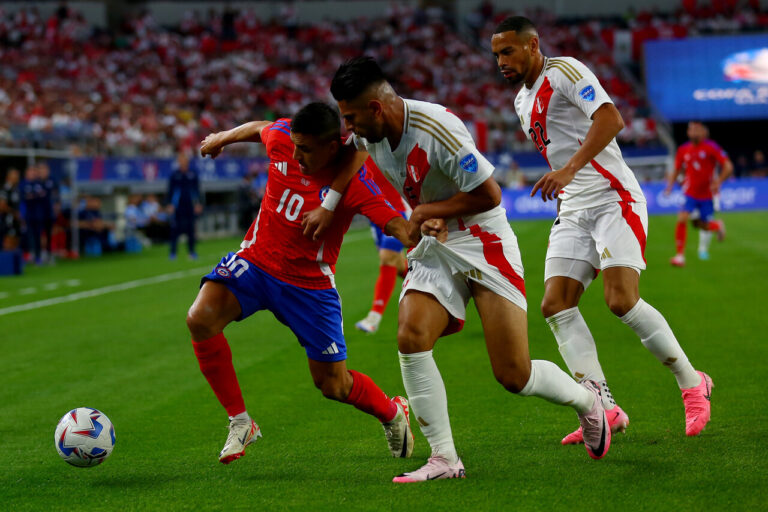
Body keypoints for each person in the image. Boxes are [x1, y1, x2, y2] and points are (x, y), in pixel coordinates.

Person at [329, 56, 612, 483]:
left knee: (513, 374)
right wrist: (329, 205)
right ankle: (445, 458)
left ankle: (589, 404)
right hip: (436, 242)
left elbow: (489, 194)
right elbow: (346, 159)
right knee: (410, 334)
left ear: (376, 108)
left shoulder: (437, 128)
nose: (349, 129)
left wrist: (427, 209)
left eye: (351, 118)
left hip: (484, 240)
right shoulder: (368, 133)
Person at [491, 16, 713, 446]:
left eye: (508, 51)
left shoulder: (566, 72)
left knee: (620, 300)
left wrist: (569, 170)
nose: (501, 61)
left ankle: (692, 382)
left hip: (614, 200)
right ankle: (604, 407)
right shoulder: (521, 101)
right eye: (496, 54)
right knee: (555, 305)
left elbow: (611, 120)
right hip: (574, 209)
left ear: (533, 46)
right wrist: (567, 181)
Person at [191, 102, 437, 465]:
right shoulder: (284, 140)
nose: (295, 154)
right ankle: (241, 421)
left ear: (332, 147)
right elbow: (261, 127)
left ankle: (390, 411)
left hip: (309, 288)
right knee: (200, 318)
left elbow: (394, 224)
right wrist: (221, 139)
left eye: (305, 149)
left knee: (333, 385)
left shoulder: (354, 184)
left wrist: (422, 234)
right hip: (257, 262)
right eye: (294, 145)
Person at [355, 158, 410, 334]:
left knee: (387, 257)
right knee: (398, 264)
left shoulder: (386, 140)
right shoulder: (359, 146)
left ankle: (374, 317)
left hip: (400, 211)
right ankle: (441, 291)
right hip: (376, 214)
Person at [665, 121, 732, 265]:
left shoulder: (711, 147)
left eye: (697, 129)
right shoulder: (683, 149)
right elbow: (676, 169)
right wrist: (669, 186)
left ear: (703, 132)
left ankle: (717, 226)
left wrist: (719, 181)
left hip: (707, 195)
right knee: (682, 218)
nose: (694, 132)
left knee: (700, 224)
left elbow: (728, 166)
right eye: (691, 130)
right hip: (690, 193)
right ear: (688, 133)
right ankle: (680, 256)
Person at [167, 151, 202, 260]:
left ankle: (191, 252)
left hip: (190, 206)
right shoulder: (174, 175)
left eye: (184, 161)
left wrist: (198, 204)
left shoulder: (192, 174)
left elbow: (197, 191)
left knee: (191, 230)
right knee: (174, 230)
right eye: (180, 161)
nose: (182, 163)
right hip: (178, 207)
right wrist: (170, 204)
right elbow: (170, 191)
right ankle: (173, 253)